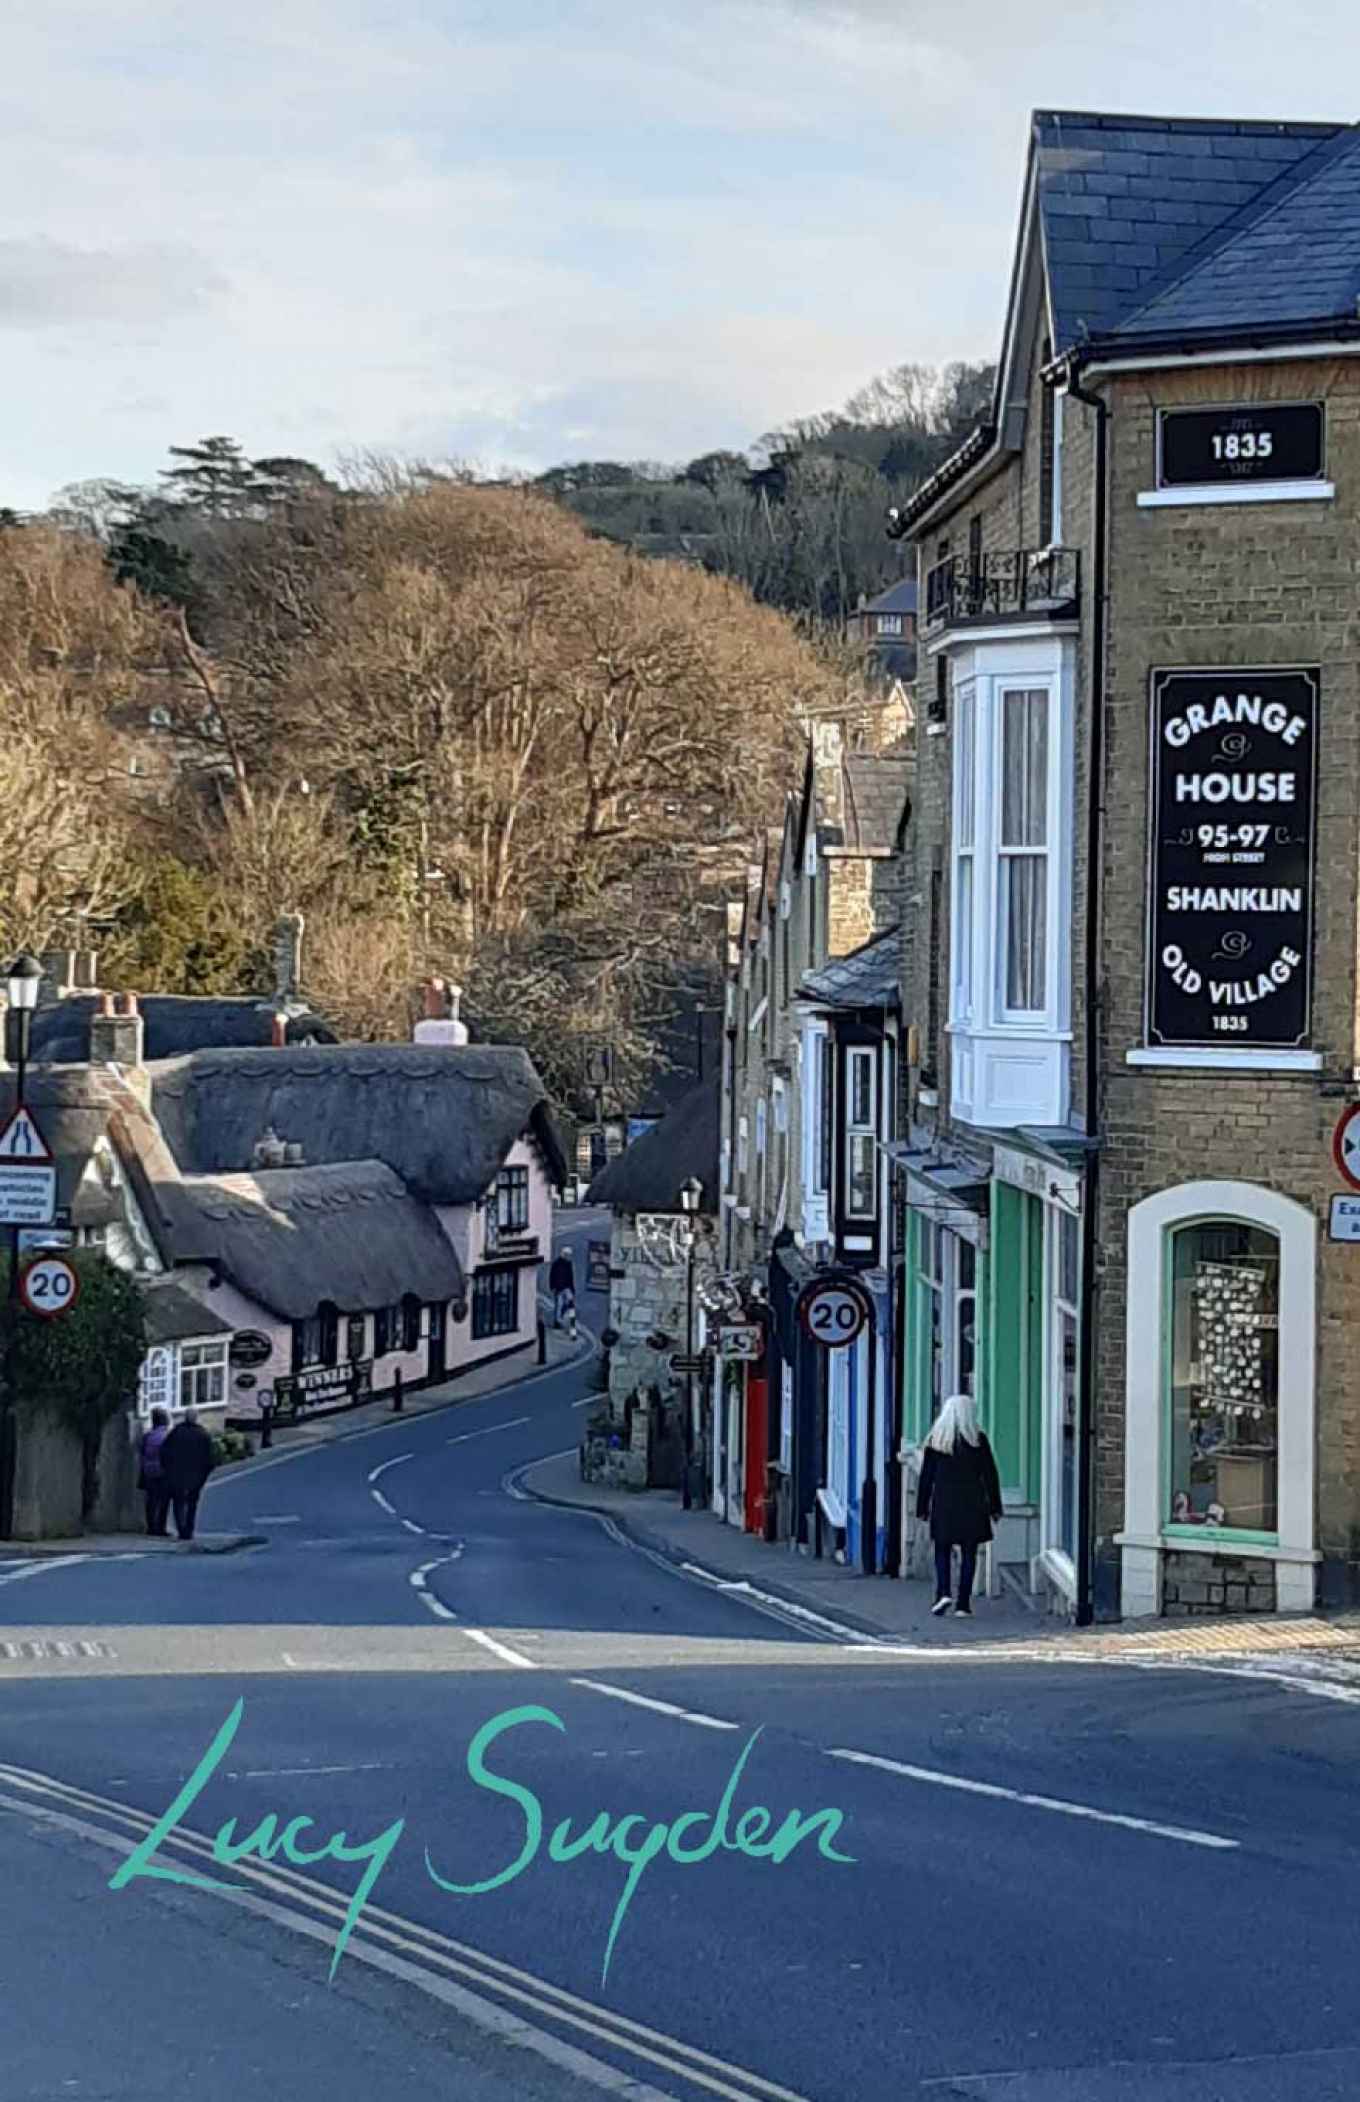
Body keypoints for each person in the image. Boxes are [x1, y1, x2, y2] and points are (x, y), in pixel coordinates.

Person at [915, 1393, 1003, 1618]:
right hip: (973, 1505)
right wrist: (995, 1506)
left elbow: (926, 1478)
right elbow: (990, 1476)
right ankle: (963, 1603)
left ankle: (943, 1591)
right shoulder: (978, 1441)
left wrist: (922, 1508)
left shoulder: (936, 1442)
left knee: (942, 1549)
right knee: (969, 1553)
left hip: (944, 1504)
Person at [159, 1408, 216, 1542]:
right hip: (196, 1476)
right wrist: (204, 1475)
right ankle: (189, 1530)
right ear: (196, 1418)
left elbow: (164, 1452)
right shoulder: (203, 1434)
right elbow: (210, 1458)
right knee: (192, 1504)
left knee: (178, 1503)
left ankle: (181, 1529)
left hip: (176, 1474)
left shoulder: (176, 1432)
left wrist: (167, 1469)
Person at [138, 1407, 172, 1537]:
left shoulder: (148, 1436)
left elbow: (142, 1453)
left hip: (149, 1471)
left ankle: (151, 1527)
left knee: (151, 1500)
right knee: (164, 1501)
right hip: (163, 1472)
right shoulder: (167, 1435)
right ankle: (161, 1528)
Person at [548, 1248, 576, 1330]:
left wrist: (572, 1288)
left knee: (569, 1302)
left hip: (567, 1287)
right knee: (559, 1305)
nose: (568, 1256)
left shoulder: (568, 1264)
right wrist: (552, 1286)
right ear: (563, 1254)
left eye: (569, 1255)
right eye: (567, 1255)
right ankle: (557, 1322)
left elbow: (571, 1276)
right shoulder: (556, 1264)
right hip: (559, 1288)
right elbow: (552, 1275)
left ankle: (561, 1317)